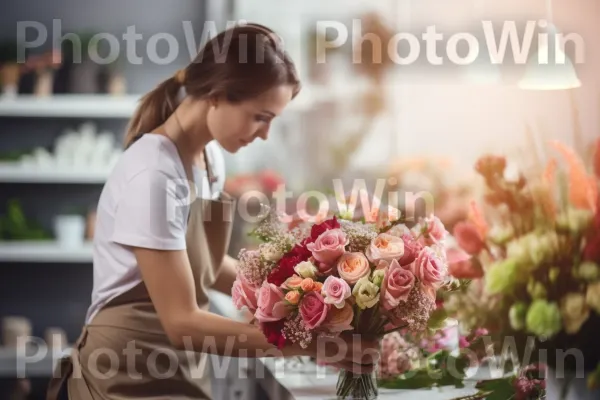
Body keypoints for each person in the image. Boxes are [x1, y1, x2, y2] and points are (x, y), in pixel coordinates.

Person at [47, 23, 380, 400]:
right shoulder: (154, 175)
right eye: (261, 116)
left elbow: (203, 264)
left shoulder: (208, 159)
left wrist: (298, 295)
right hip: (126, 370)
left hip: (175, 364)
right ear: (217, 95)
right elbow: (181, 322)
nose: (265, 134)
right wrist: (307, 345)